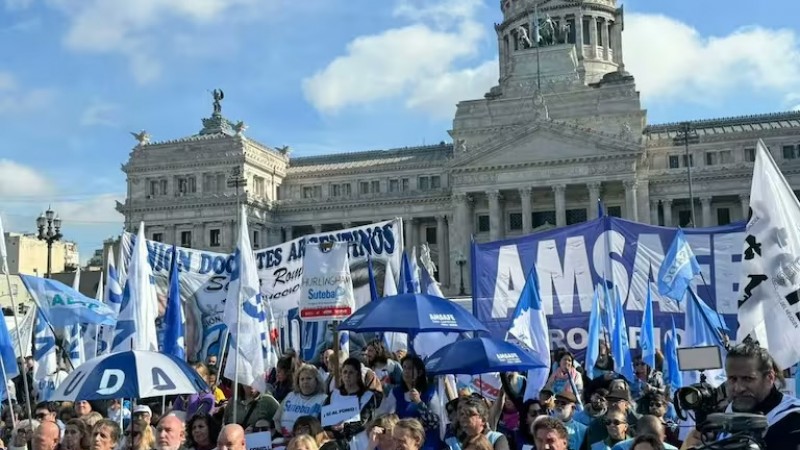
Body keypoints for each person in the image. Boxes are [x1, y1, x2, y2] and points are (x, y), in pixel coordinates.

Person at [377, 355, 441, 450]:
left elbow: (435, 422)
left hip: (428, 444)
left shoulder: (430, 392)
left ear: (419, 372)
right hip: (403, 444)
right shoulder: (396, 392)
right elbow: (385, 417)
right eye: (404, 368)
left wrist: (419, 403)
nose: (406, 371)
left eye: (410, 368)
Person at [323, 357, 381, 450]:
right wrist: (332, 428)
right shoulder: (334, 394)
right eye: (345, 372)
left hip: (359, 442)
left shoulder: (368, 396)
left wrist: (344, 428)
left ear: (358, 375)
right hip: (335, 442)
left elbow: (363, 421)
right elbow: (324, 416)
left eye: (351, 372)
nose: (347, 375)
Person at [273, 364, 327, 437]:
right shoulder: (290, 396)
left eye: (309, 378)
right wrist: (283, 435)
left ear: (317, 380)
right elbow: (276, 419)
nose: (305, 382)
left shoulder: (323, 399)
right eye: (302, 379)